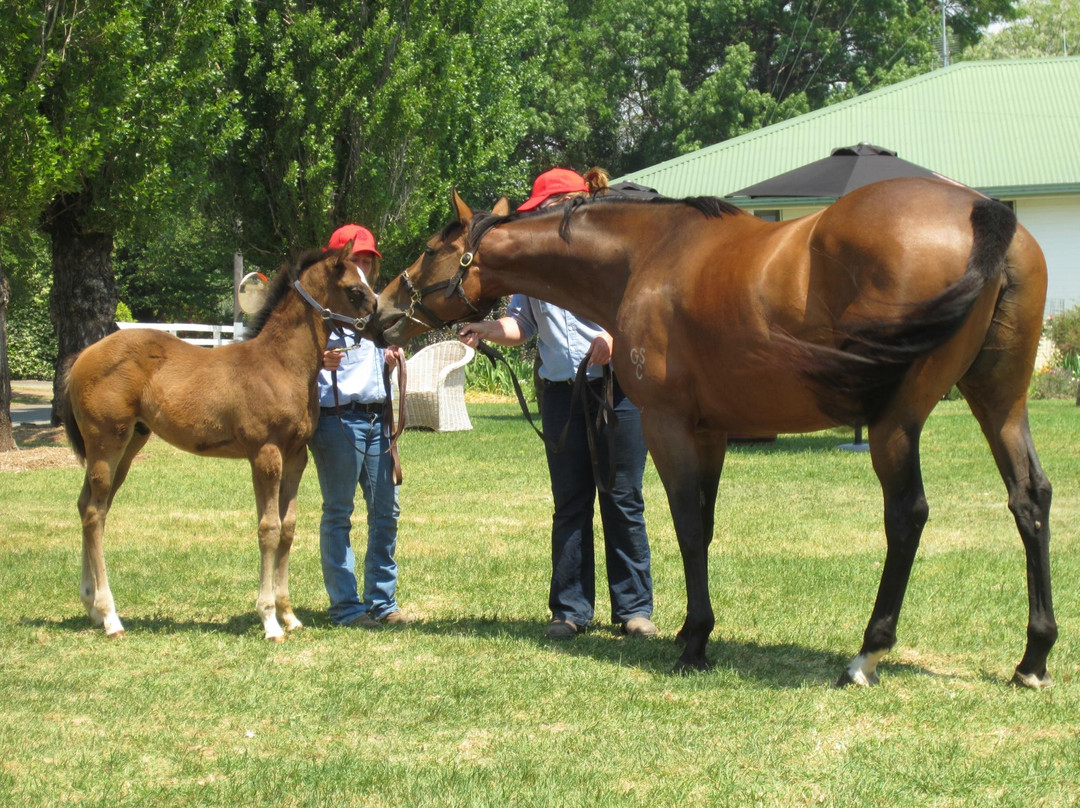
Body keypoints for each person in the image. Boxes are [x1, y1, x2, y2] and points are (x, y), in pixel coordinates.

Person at [458, 168, 657, 639]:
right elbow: (521, 326)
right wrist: (488, 330)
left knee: (622, 498)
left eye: (546, 208)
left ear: (572, 204)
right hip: (561, 394)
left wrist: (614, 334)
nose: (543, 217)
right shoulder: (536, 269)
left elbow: (645, 309)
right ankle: (569, 611)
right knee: (570, 504)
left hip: (615, 390)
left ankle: (634, 610)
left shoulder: (611, 254)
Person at [308, 224, 407, 628]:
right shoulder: (319, 312)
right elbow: (291, 368)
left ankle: (382, 602)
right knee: (339, 513)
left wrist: (390, 358)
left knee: (386, 510)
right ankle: (347, 608)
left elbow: (378, 353)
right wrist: (318, 361)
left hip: (375, 417)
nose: (364, 265)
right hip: (335, 419)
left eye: (368, 259)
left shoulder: (373, 307)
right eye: (356, 259)